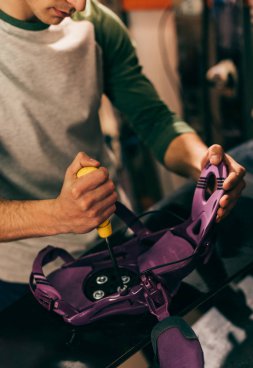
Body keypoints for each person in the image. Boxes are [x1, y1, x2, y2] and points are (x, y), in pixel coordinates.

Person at [0, 0, 245, 310]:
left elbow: (153, 119)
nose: (79, 4)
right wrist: (57, 216)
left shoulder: (96, 23)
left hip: (118, 242)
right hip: (21, 278)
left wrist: (205, 165)